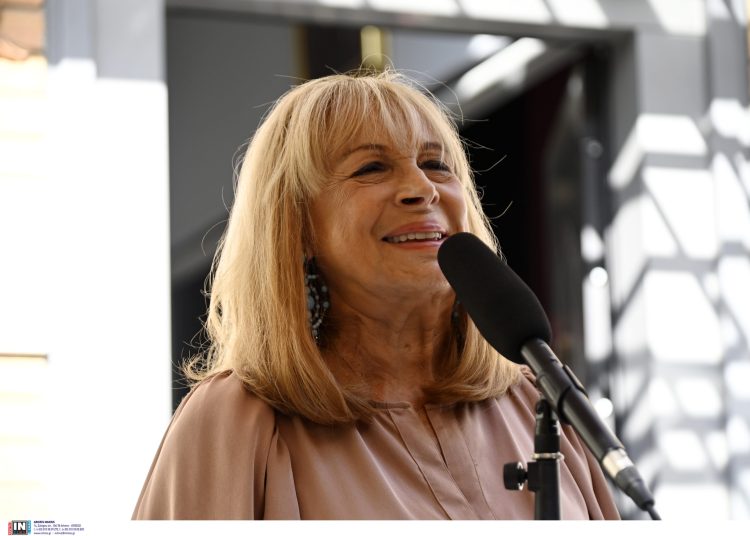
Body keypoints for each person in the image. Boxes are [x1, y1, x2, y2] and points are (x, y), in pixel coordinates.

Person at [132, 70, 620, 520]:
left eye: (436, 164)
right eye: (371, 168)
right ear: (297, 227)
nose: (421, 189)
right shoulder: (235, 421)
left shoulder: (539, 399)